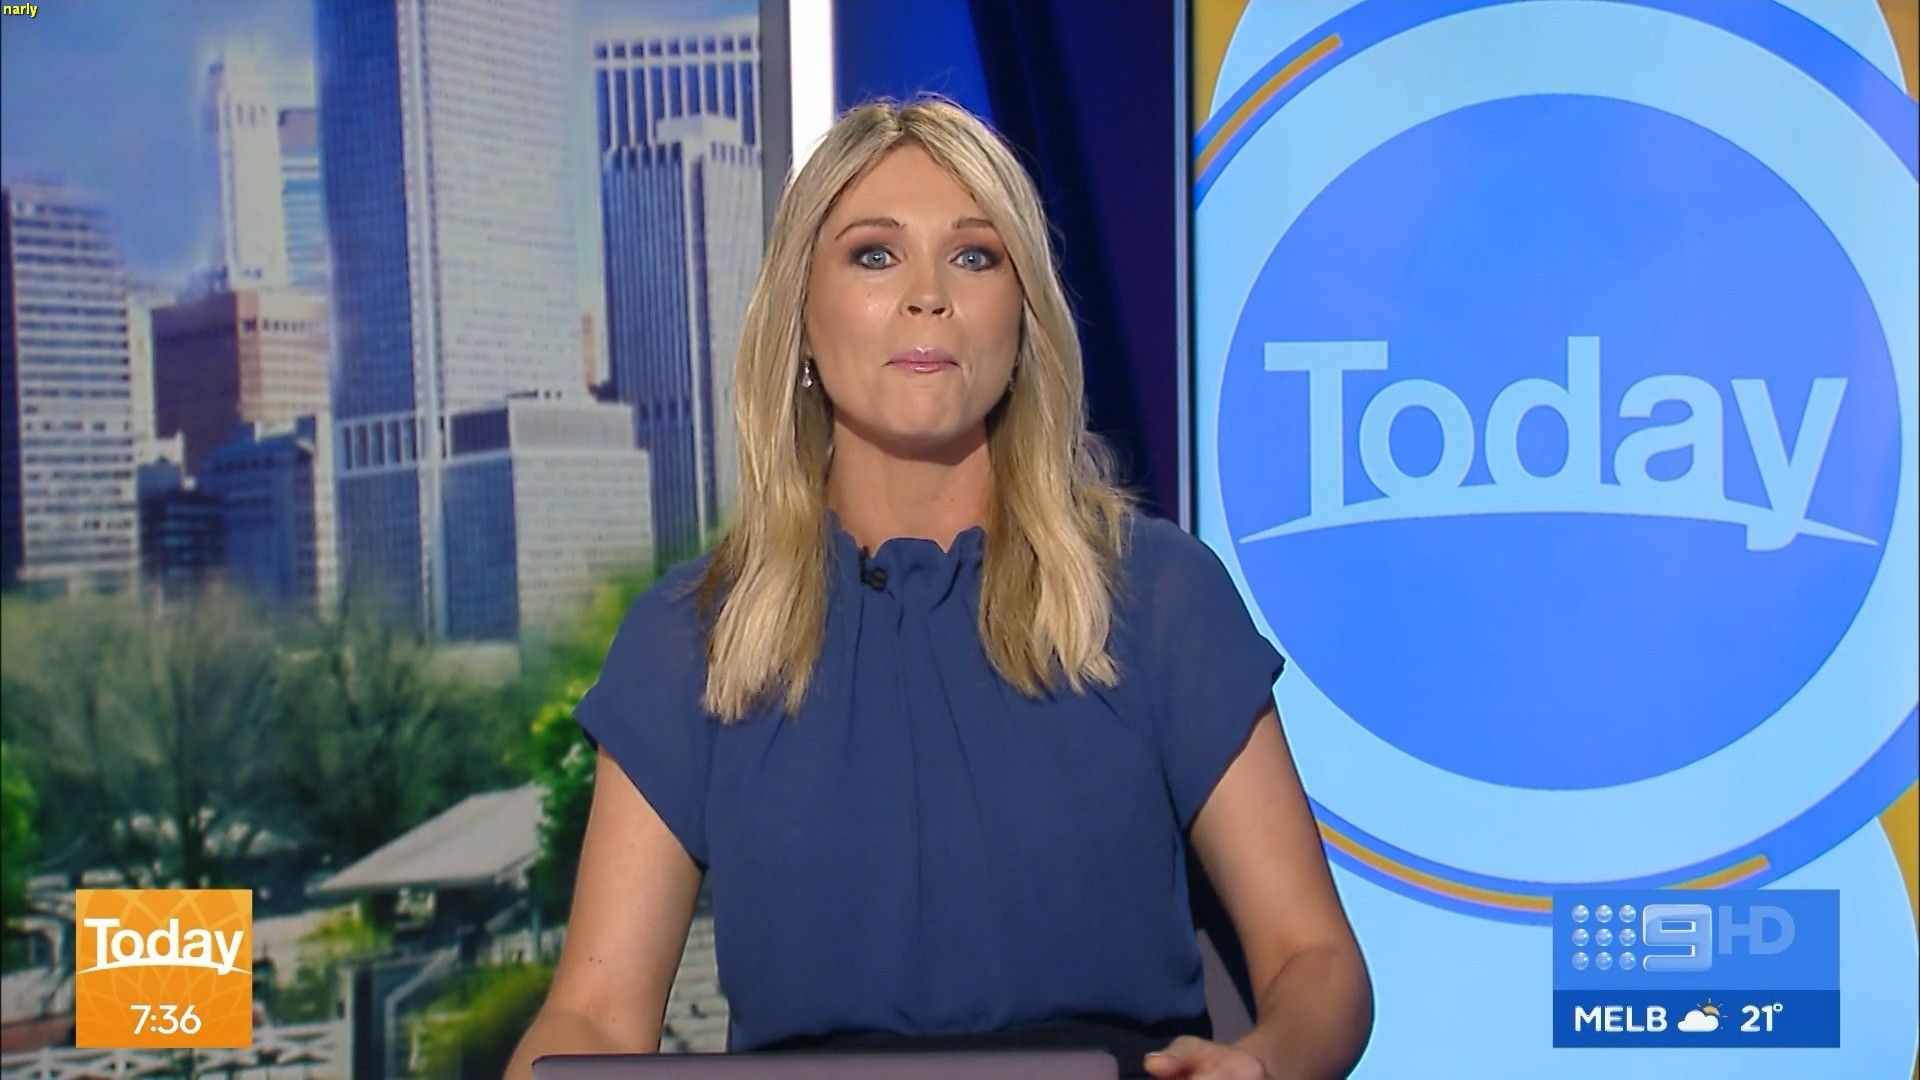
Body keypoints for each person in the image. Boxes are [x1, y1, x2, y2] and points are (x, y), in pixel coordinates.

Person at [507, 96, 1372, 1080]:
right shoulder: (693, 637)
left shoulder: (1159, 596)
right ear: (800, 315)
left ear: (1023, 319)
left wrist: (1263, 1063)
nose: (928, 296)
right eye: (875, 255)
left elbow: (1315, 960)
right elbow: (593, 1018)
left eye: (974, 256)